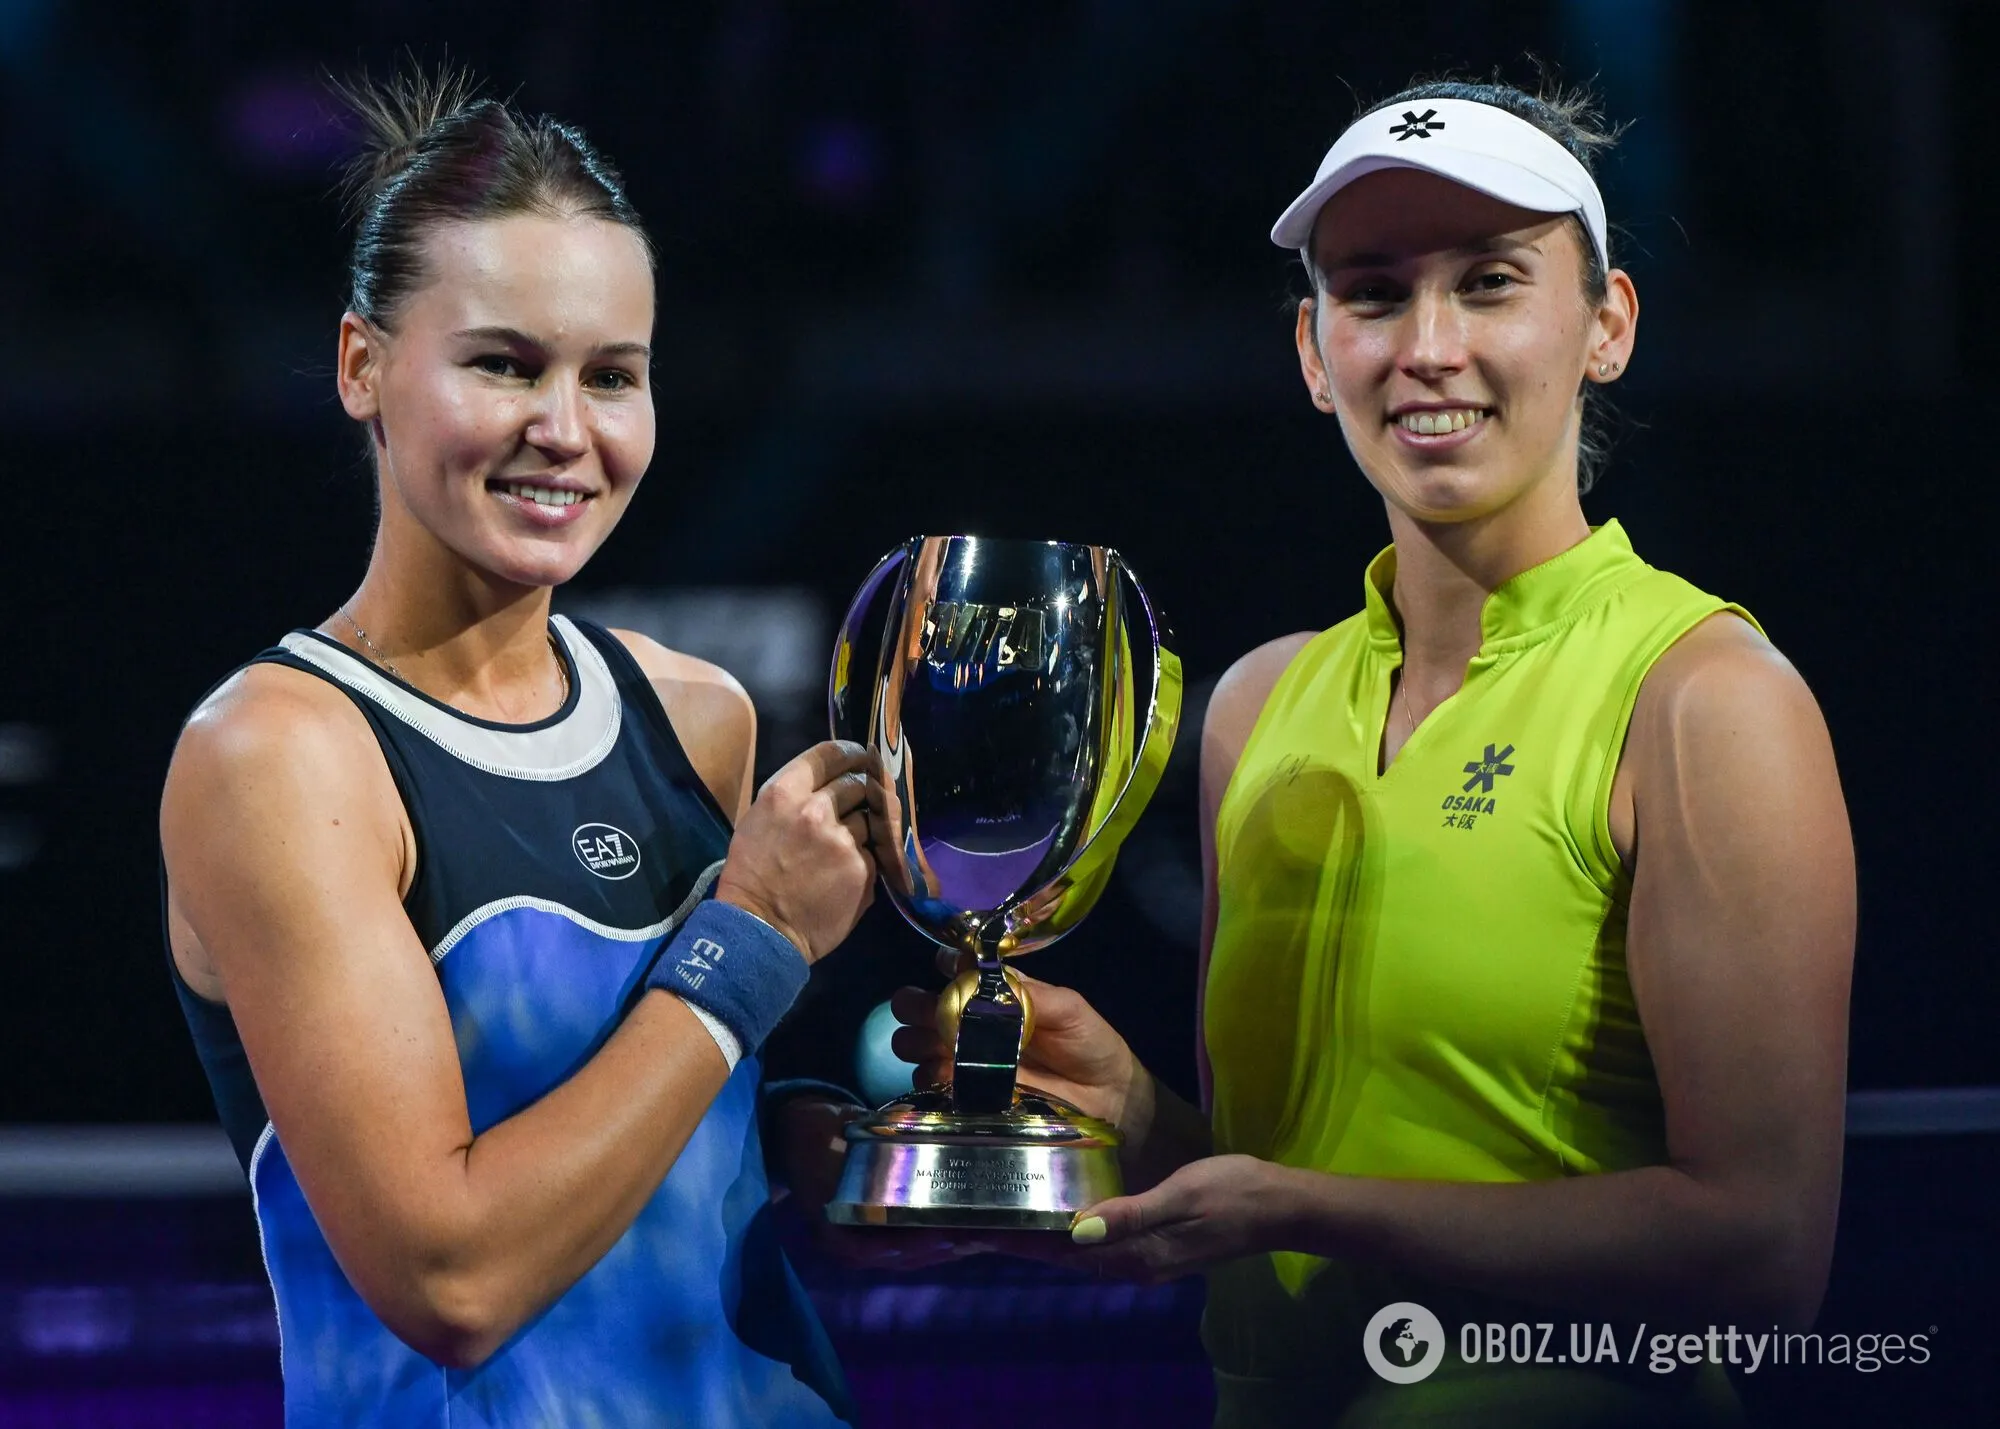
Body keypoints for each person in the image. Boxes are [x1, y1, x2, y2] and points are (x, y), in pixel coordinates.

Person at [895, 77, 1854, 1427]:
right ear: (1311, 349)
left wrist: (1308, 1205)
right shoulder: (1257, 705)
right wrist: (1133, 1110)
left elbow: (1763, 1257)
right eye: (1375, 292)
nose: (1428, 345)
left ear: (1607, 327)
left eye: (1491, 282)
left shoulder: (1703, 701)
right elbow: (1272, 1192)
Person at [161, 70, 880, 1426]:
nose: (567, 430)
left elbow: (682, 1153)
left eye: (613, 376)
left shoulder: (695, 714)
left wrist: (859, 1160)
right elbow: (453, 1281)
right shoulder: (280, 754)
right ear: (361, 366)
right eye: (503, 363)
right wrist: (755, 943)